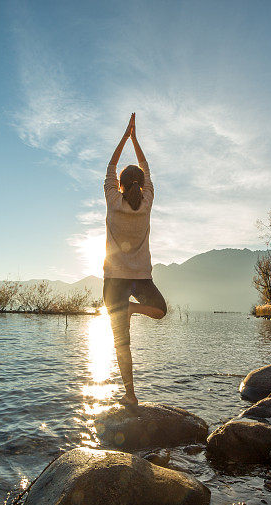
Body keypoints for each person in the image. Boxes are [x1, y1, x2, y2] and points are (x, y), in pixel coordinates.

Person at [103, 113, 167, 407]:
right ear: (141, 185)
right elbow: (146, 168)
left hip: (114, 279)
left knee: (121, 342)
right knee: (160, 310)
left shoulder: (113, 201)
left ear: (119, 183)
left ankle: (130, 394)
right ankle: (132, 308)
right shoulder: (147, 203)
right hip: (141, 278)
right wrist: (136, 139)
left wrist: (124, 136)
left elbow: (111, 166)